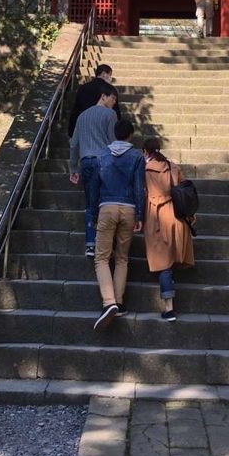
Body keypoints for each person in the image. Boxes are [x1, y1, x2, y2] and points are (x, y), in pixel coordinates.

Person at [89, 119, 145, 331]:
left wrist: (93, 213)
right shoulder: (137, 157)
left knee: (102, 257)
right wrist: (140, 214)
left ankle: (108, 302)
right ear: (130, 135)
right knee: (122, 258)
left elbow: (94, 187)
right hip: (129, 208)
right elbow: (140, 187)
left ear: (114, 134)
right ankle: (118, 302)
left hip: (107, 206)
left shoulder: (102, 155)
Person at [142, 137, 195, 322]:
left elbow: (141, 193)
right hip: (176, 217)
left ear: (145, 152)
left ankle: (169, 307)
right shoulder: (172, 167)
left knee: (163, 264)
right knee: (169, 259)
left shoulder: (145, 170)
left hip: (157, 218)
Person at [69, 82, 118, 257]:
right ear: (103, 96)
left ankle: (90, 244)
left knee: (90, 203)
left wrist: (73, 168)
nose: (114, 102)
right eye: (112, 98)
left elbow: (74, 143)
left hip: (86, 162)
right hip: (103, 161)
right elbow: (113, 141)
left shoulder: (82, 116)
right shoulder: (110, 114)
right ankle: (105, 243)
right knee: (105, 202)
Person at [68, 64, 121, 137]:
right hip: (102, 129)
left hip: (84, 127)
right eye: (110, 75)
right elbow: (116, 111)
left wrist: (71, 132)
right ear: (103, 74)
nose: (110, 78)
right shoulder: (110, 90)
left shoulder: (83, 88)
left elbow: (76, 109)